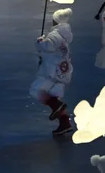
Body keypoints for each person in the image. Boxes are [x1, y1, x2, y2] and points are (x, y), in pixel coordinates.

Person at [30, 8, 74, 136]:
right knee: (54, 94)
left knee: (37, 90)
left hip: (51, 70)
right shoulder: (65, 35)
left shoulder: (55, 35)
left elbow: (47, 46)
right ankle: (65, 123)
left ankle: (57, 105)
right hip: (62, 70)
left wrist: (39, 41)